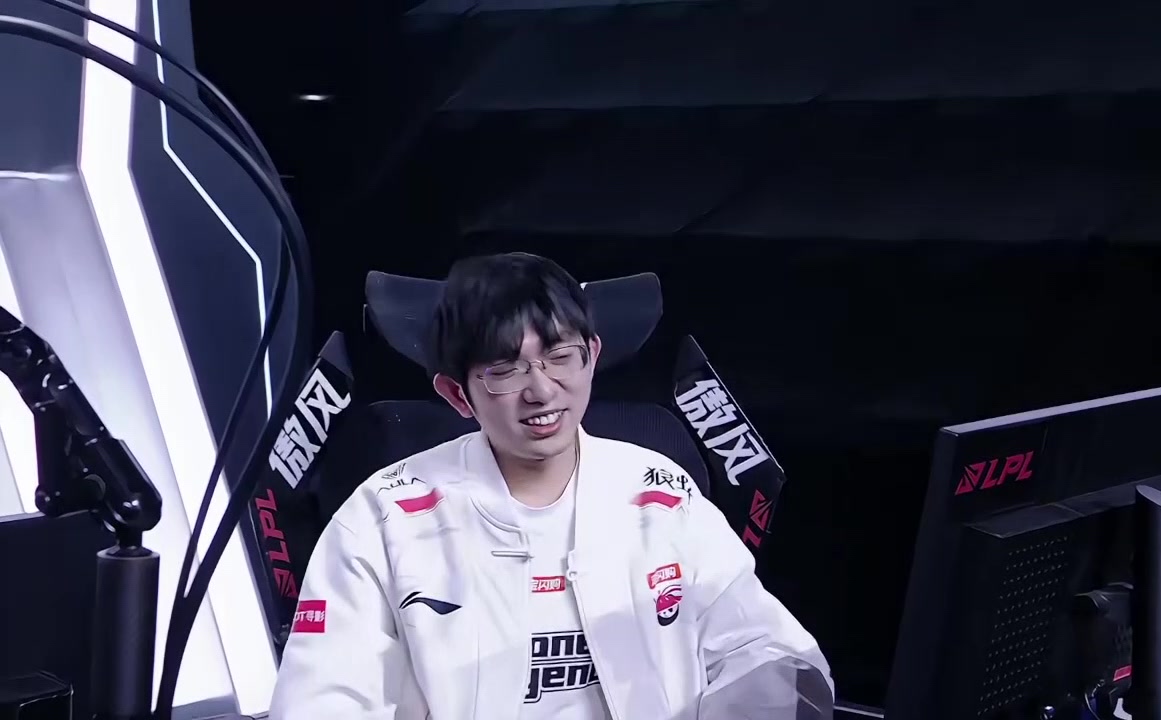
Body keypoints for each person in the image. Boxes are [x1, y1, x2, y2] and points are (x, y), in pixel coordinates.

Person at [270, 252, 833, 720]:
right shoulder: (382, 516)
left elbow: (762, 646)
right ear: (457, 394)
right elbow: (323, 696)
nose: (542, 390)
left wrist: (762, 695)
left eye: (561, 357)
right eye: (505, 370)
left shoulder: (663, 493)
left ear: (592, 357)